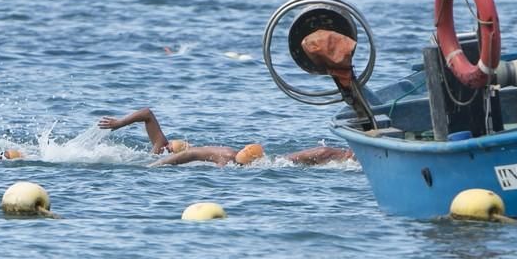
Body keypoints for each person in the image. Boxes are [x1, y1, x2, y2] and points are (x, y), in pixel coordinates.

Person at [98, 107, 353, 167]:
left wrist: (119, 124)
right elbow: (147, 114)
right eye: (178, 144)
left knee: (311, 157)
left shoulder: (158, 152)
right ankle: (349, 156)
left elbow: (147, 113)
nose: (183, 144)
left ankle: (347, 155)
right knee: (312, 156)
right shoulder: (159, 147)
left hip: (238, 161)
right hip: (244, 161)